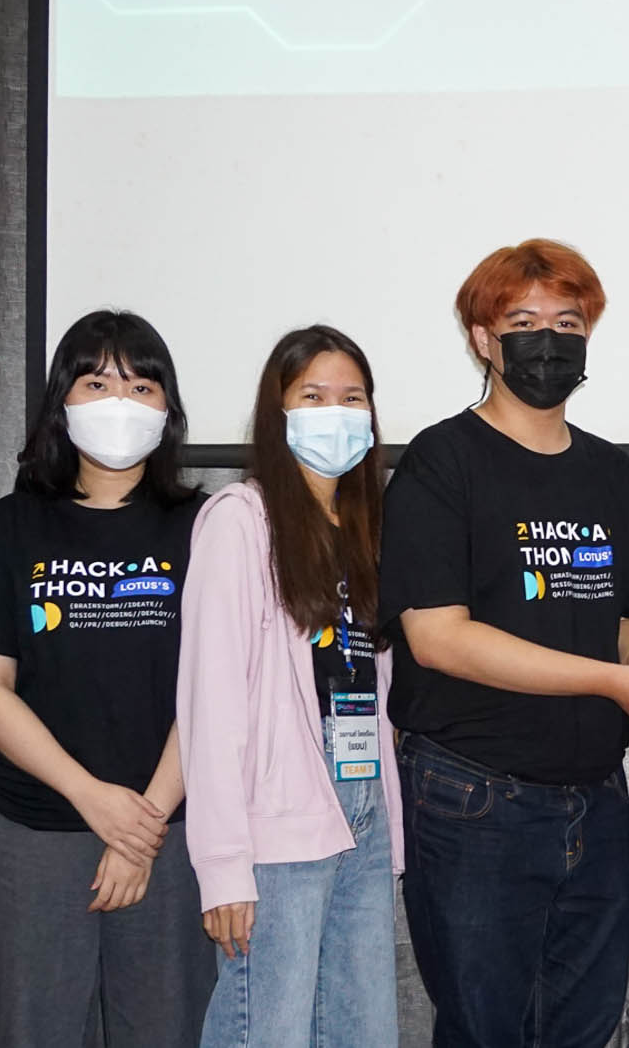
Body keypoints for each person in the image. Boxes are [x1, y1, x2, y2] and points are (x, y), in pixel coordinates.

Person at [381, 240, 629, 1048]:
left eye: (567, 321)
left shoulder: (612, 473)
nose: (547, 340)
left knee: (583, 1028)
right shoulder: (442, 461)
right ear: (483, 339)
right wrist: (610, 680)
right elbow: (438, 639)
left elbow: (626, 618)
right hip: (477, 797)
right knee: (486, 1031)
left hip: (596, 797)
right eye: (522, 322)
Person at [0, 309, 214, 1047]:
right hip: (37, 829)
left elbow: (220, 688)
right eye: (97, 383)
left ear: (168, 409)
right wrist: (93, 799)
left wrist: (140, 829)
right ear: (61, 402)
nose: (121, 401)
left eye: (141, 386)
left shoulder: (207, 526)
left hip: (170, 831)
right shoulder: (12, 525)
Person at [178, 325, 402, 1047]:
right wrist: (223, 867)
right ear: (277, 412)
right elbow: (210, 704)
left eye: (352, 398)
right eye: (313, 396)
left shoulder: (367, 530)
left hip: (363, 804)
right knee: (267, 1029)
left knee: (363, 1030)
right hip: (278, 817)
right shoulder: (240, 521)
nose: (336, 412)